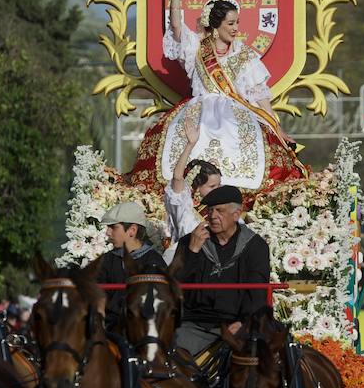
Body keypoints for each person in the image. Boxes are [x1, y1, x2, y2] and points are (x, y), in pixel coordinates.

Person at [150, 0, 304, 192]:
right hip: (199, 112)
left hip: (237, 116)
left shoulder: (244, 54)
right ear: (216, 25)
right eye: (230, 24)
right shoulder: (196, 50)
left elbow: (261, 98)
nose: (235, 29)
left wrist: (276, 127)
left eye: (237, 23)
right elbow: (175, 25)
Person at [172, 185, 272, 359]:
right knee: (170, 356)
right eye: (210, 211)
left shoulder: (255, 246)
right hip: (195, 324)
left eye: (219, 211)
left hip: (238, 324)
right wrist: (192, 253)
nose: (212, 216)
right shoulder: (190, 241)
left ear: (236, 214)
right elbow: (172, 286)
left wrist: (243, 322)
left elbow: (257, 291)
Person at [93, 200, 170, 332]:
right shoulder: (107, 260)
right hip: (107, 328)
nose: (108, 233)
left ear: (132, 230)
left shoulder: (154, 263)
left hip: (139, 331)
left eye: (113, 227)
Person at [164, 118, 223, 261]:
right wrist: (190, 144)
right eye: (212, 186)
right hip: (184, 261)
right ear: (197, 187)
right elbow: (178, 177)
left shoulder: (221, 208)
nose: (218, 190)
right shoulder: (184, 207)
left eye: (219, 185)